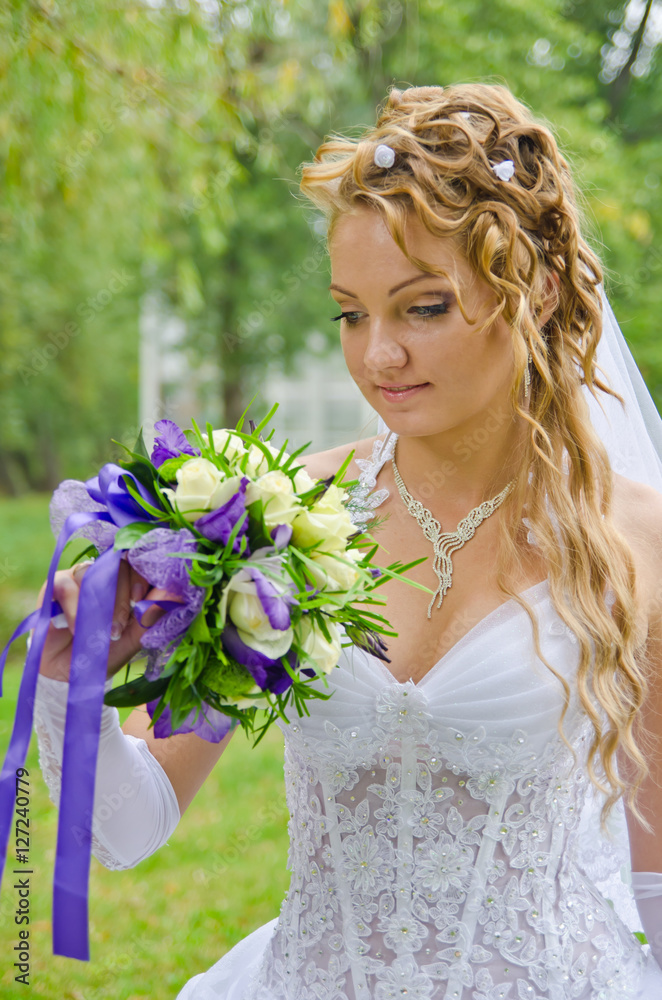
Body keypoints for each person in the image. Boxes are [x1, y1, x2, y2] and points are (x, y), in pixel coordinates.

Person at [31, 82, 662, 999]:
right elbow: (125, 830)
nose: (378, 357)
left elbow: (657, 875)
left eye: (424, 308)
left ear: (540, 288)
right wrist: (69, 680)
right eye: (351, 313)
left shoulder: (635, 541)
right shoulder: (275, 520)